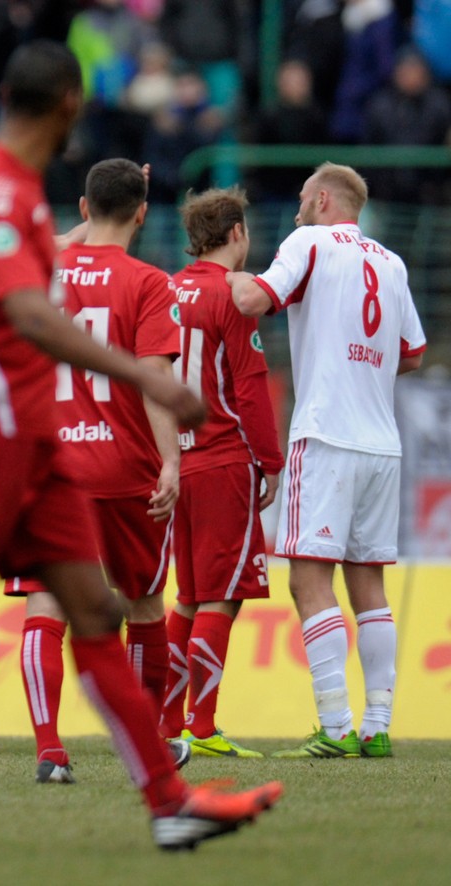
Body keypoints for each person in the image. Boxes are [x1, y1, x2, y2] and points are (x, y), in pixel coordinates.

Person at [0, 40, 282, 854]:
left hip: (35, 443)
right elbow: (30, 315)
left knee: (96, 612)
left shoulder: (21, 196)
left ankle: (168, 803)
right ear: (69, 106)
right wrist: (157, 383)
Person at [229, 162, 427, 759]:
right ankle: (378, 724)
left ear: (321, 199)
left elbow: (253, 299)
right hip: (381, 443)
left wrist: (218, 272)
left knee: (310, 579)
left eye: (298, 201)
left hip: (325, 434)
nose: (293, 212)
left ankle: (335, 725)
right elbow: (412, 354)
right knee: (370, 585)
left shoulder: (309, 242)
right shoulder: (391, 263)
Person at [3, 158, 185, 782]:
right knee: (143, 605)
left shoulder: (41, 268)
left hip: (49, 464)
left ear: (81, 210)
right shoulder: (150, 281)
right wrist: (172, 461)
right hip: (123, 465)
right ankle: (143, 745)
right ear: (142, 213)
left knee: (45, 605)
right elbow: (158, 379)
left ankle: (50, 750)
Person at [159, 186, 281, 759]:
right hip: (223, 457)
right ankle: (201, 728)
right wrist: (271, 461)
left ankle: (167, 725)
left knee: (188, 598)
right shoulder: (233, 294)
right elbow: (251, 386)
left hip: (175, 461)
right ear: (236, 233)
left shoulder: (165, 288)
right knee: (221, 597)